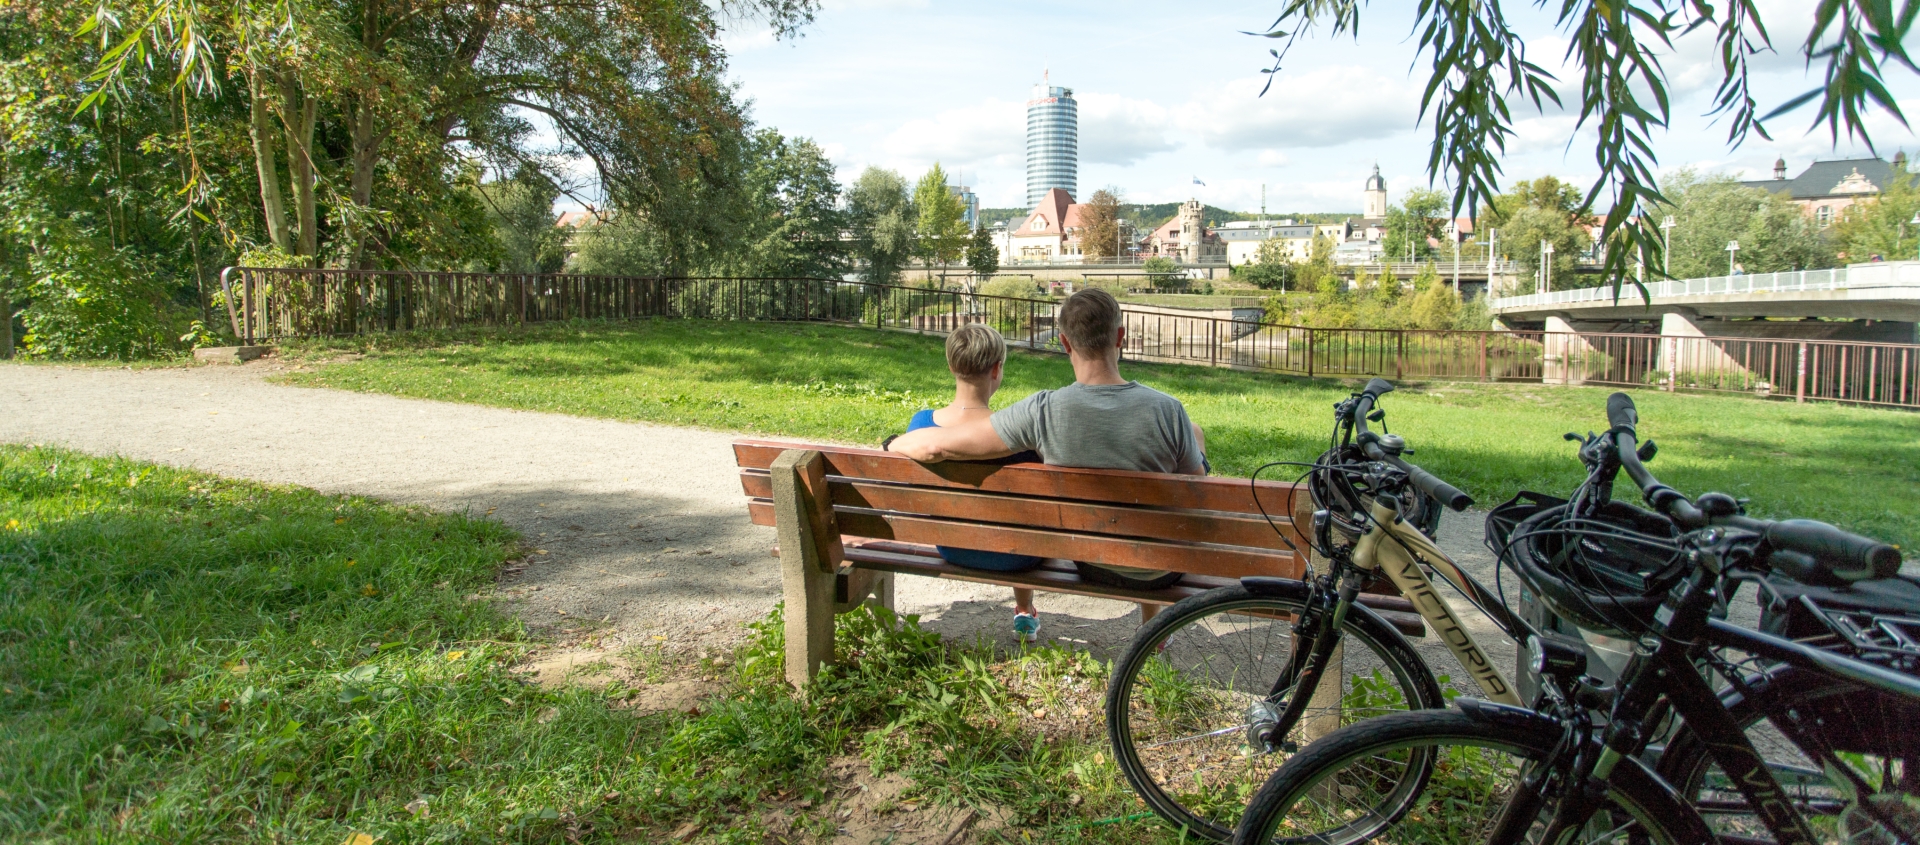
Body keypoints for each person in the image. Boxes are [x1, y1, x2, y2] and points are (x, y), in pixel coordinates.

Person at [888, 288, 1208, 624]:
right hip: (1160, 570)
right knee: (1193, 435)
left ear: (1065, 343)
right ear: (1120, 337)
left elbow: (938, 445)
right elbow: (1196, 491)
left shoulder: (1042, 410)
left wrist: (895, 442)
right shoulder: (1169, 411)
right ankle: (1152, 625)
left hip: (1088, 561)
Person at [896, 324, 1046, 638]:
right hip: (1016, 556)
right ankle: (1023, 610)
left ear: (951, 366)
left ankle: (1022, 610)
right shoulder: (1015, 435)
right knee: (1023, 522)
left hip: (953, 546)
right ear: (997, 369)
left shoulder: (919, 426)